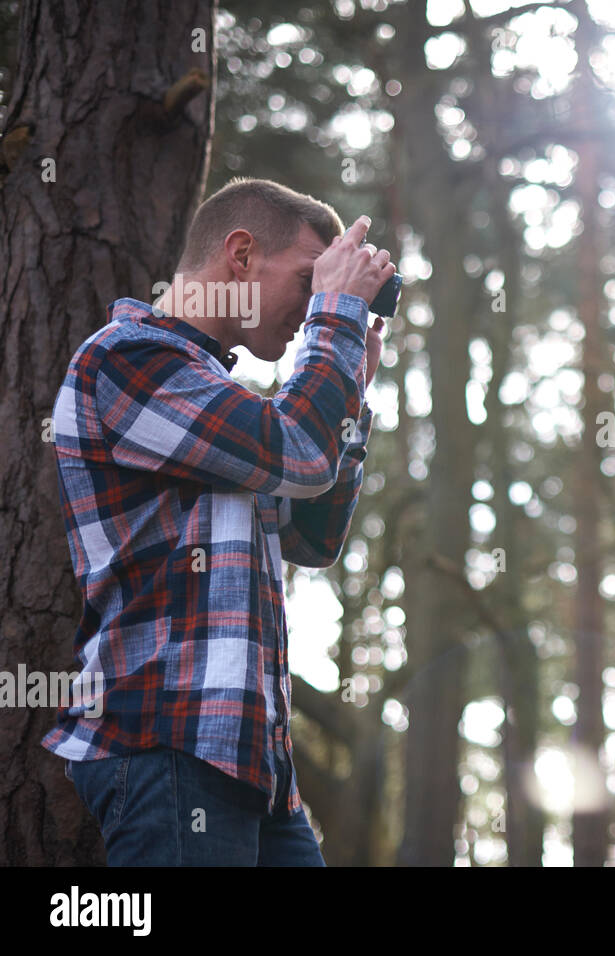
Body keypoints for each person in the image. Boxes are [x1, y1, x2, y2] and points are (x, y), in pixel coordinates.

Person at [42, 178, 396, 865]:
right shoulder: (126, 358)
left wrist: (347, 384)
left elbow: (312, 538)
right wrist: (337, 322)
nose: (310, 307)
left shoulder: (219, 398)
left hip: (252, 760)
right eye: (306, 280)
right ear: (240, 255)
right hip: (169, 742)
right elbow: (297, 449)